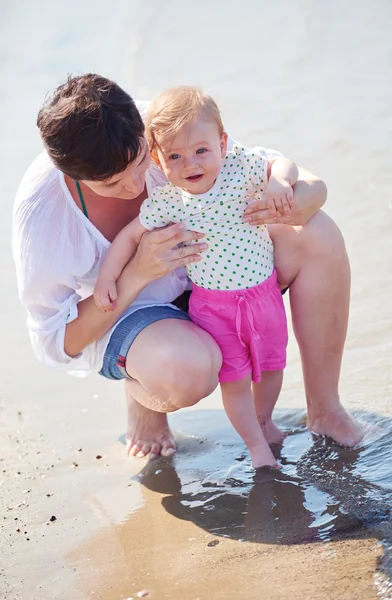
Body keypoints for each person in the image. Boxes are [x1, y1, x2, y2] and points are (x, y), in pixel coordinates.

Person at [12, 74, 363, 462]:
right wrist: (136, 273)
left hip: (222, 277)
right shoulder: (43, 214)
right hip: (138, 316)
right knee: (186, 372)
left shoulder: (162, 126)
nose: (134, 184)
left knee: (318, 233)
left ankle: (326, 410)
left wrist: (307, 198)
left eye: (142, 161)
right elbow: (57, 342)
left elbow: (274, 168)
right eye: (112, 183)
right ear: (73, 177)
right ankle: (141, 393)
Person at [94, 86, 299, 468]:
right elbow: (129, 236)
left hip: (264, 296)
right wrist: (108, 277)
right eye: (175, 156)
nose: (190, 163)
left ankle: (264, 420)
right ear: (157, 159)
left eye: (201, 150)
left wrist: (280, 183)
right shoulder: (169, 201)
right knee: (235, 379)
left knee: (271, 366)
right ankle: (255, 445)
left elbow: (284, 163)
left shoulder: (243, 169)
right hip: (214, 307)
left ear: (222, 144)